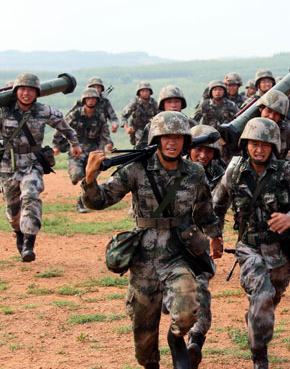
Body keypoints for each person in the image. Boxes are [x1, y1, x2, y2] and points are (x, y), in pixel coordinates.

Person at [82, 111, 222, 369]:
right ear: (156, 139)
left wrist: (215, 237)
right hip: (143, 258)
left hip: (178, 252)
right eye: (166, 137)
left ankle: (176, 338)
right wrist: (90, 179)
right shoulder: (136, 169)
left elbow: (204, 210)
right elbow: (99, 200)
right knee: (144, 341)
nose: (172, 142)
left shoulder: (194, 172)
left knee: (188, 310)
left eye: (178, 137)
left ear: (185, 141)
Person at [213, 117, 290, 369]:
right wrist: (215, 236)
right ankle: (260, 355)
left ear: (273, 146)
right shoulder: (235, 170)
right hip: (248, 247)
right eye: (253, 144)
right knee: (262, 294)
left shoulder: (286, 171)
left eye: (265, 144)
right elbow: (217, 204)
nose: (259, 149)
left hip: (281, 249)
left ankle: (256, 323)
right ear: (245, 144)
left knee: (270, 300)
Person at [0, 73, 82, 261]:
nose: (26, 93)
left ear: (37, 92)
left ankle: (29, 242)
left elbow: (65, 126)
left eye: (30, 90)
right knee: (13, 211)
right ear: (16, 91)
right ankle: (19, 233)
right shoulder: (4, 111)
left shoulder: (44, 111)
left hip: (32, 162)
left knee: (31, 196)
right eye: (22, 89)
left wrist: (74, 143)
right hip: (8, 165)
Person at [52, 87, 113, 213]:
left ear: (97, 100)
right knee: (78, 174)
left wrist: (107, 144)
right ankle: (74, 175)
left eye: (93, 99)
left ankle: (81, 202)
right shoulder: (76, 114)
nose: (90, 101)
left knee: (90, 177)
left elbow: (104, 133)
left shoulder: (100, 116)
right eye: (88, 99)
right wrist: (56, 145)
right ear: (84, 100)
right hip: (77, 148)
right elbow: (62, 127)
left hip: (93, 149)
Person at [135, 85, 197, 150]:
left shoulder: (191, 124)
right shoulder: (153, 126)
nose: (173, 105)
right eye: (169, 102)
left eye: (177, 102)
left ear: (182, 104)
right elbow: (142, 149)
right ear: (163, 105)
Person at [120, 81, 160, 146]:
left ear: (150, 92)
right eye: (143, 91)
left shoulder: (154, 103)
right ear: (139, 92)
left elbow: (161, 116)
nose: (145, 93)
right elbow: (123, 115)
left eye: (147, 91)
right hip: (138, 132)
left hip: (152, 131)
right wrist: (126, 128)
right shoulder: (135, 103)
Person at [188, 124, 226, 191]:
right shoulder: (175, 166)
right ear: (189, 149)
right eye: (199, 149)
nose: (203, 156)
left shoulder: (218, 174)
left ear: (214, 153)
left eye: (209, 151)